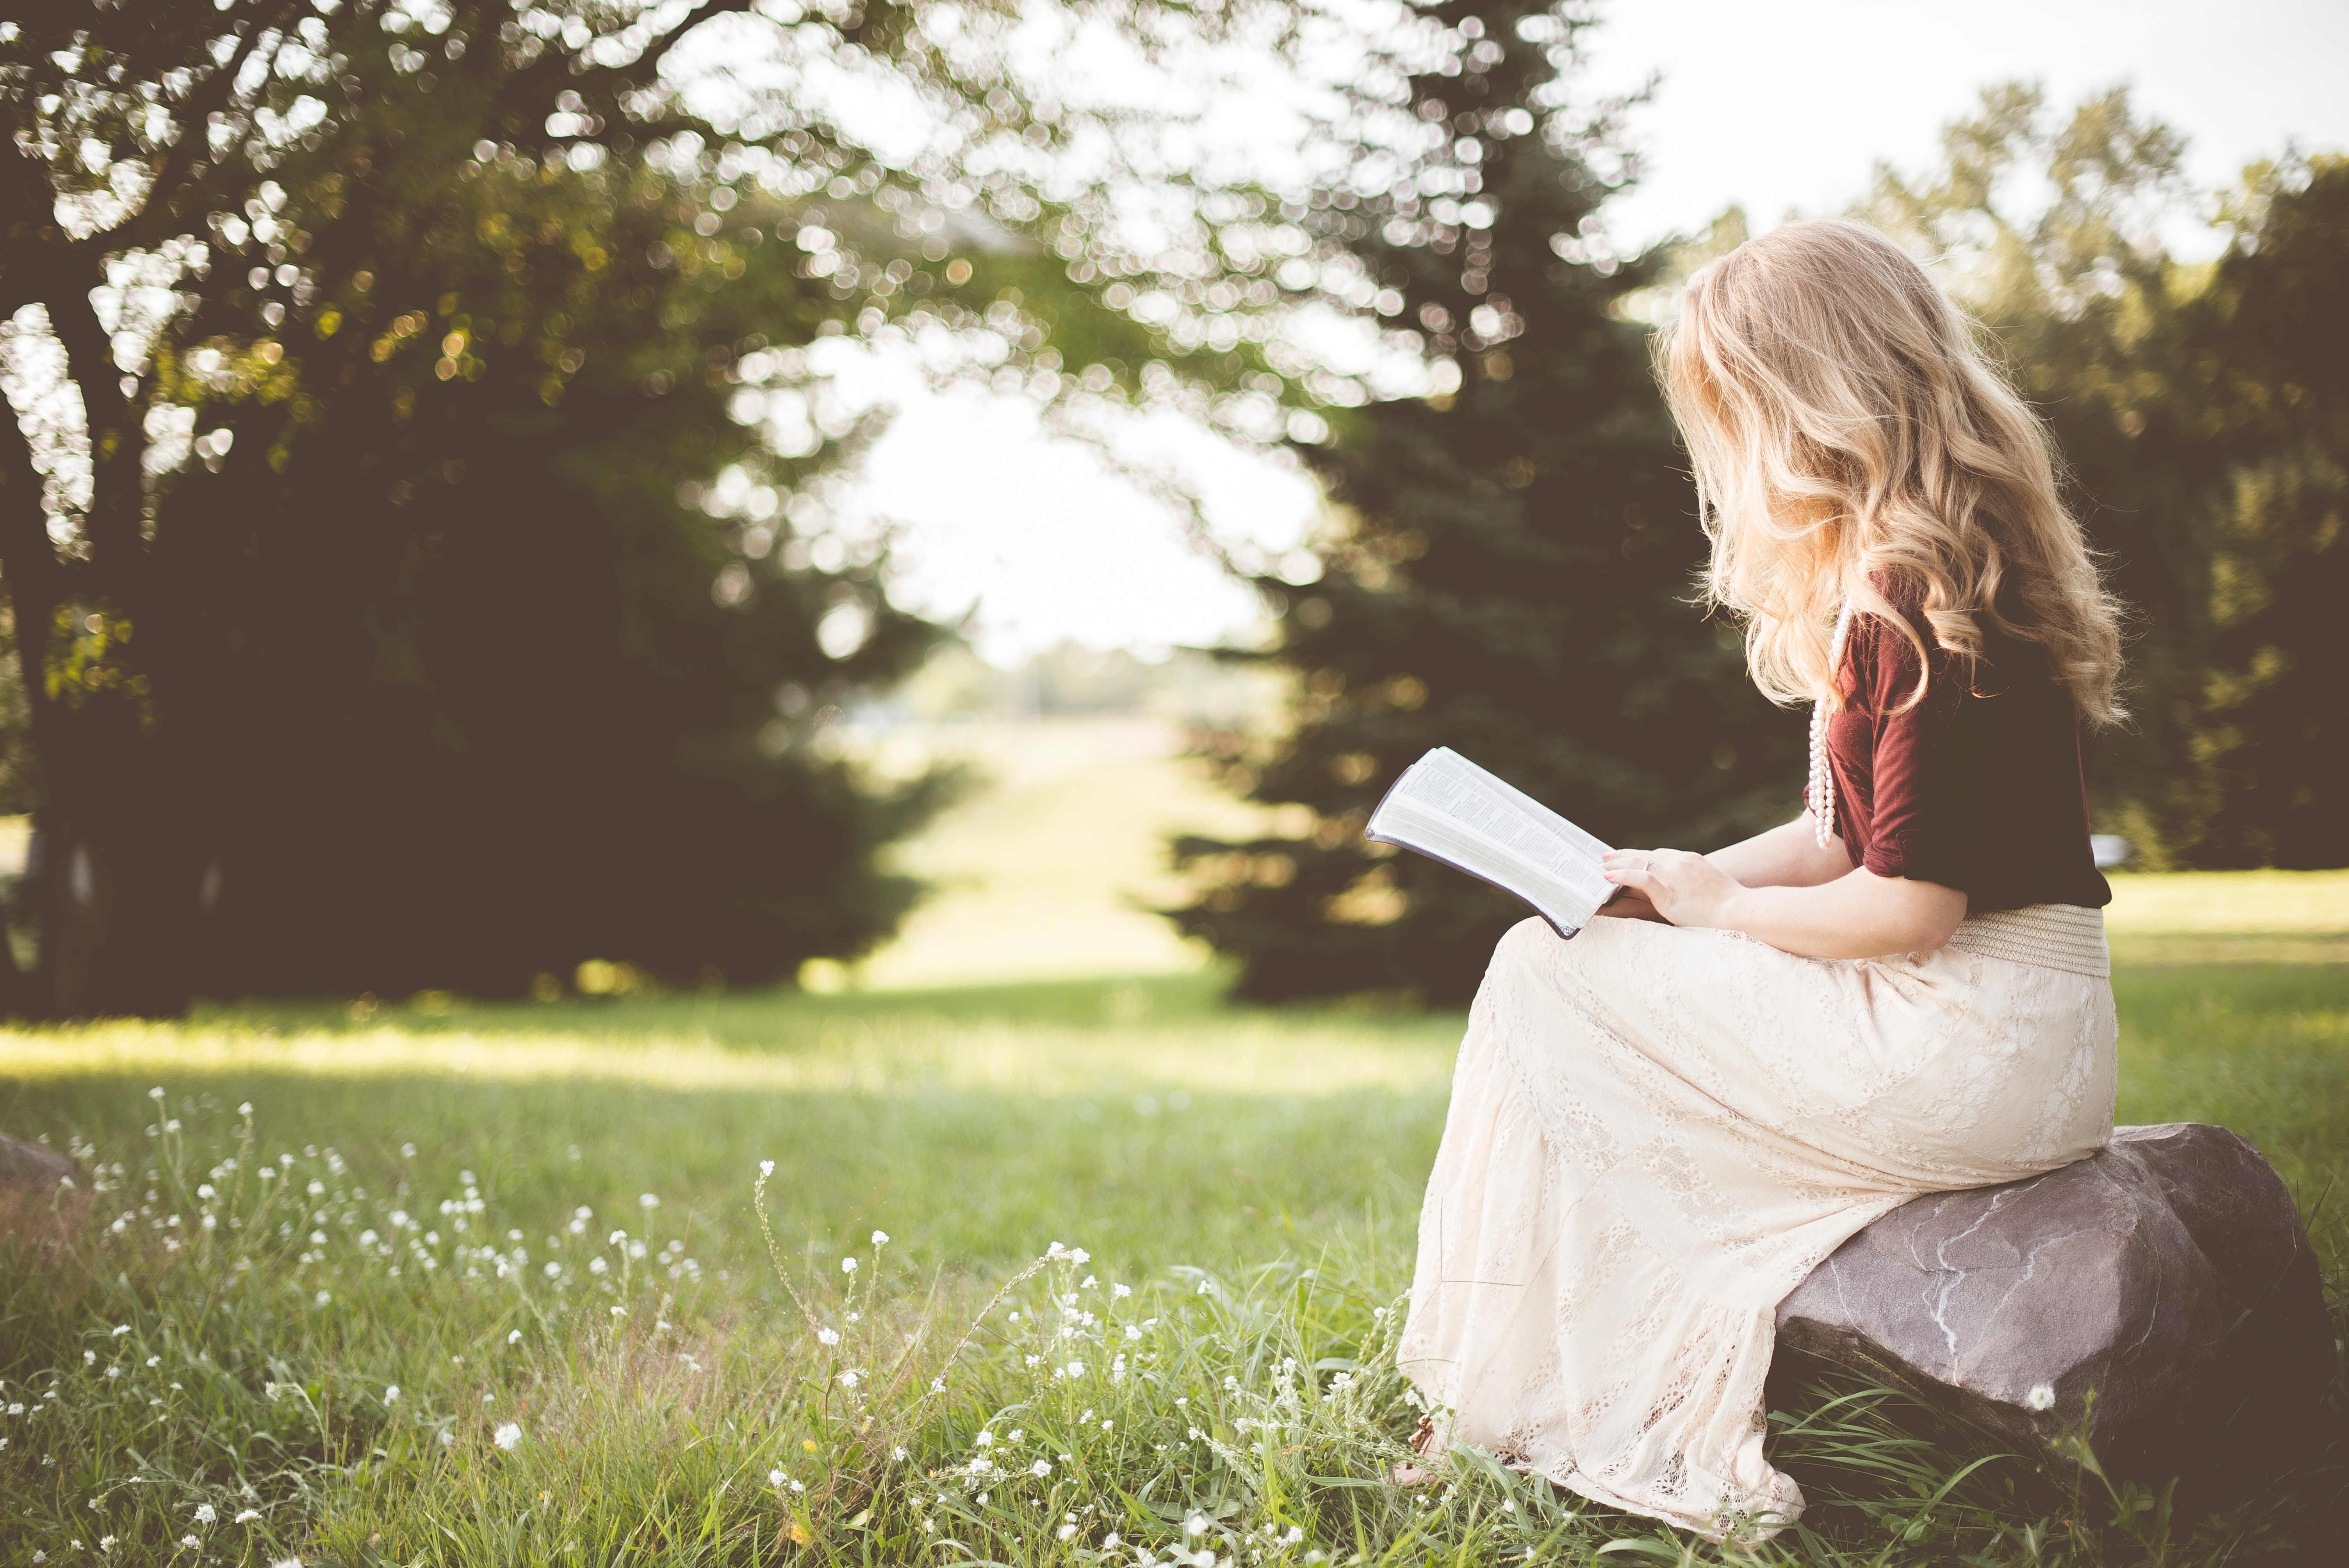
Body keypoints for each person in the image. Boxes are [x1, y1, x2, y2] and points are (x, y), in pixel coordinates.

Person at [1394, 218, 2128, 1543]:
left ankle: (1499, 1398)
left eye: (1734, 410)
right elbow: (1835, 840)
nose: (1723, 454)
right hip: (2019, 1035)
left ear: (1809, 399)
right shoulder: (1932, 561)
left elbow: (1909, 908)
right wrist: (1665, 878)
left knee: (1533, 975)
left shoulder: (1911, 587)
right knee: (1569, 961)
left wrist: (1721, 917)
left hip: (1968, 1035)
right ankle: (1512, 1386)